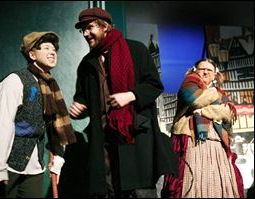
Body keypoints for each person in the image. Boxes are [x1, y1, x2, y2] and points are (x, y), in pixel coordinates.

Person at [69, 7, 178, 198]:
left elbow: (154, 85)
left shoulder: (135, 49)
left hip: (134, 135)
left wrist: (131, 95)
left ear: (105, 27)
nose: (86, 33)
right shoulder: (86, 64)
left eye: (90, 27)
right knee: (111, 189)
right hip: (104, 140)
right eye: (83, 29)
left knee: (141, 191)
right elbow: (83, 97)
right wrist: (79, 107)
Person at [0, 31, 76, 198]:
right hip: (0, 156)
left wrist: (58, 155)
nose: (52, 52)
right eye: (46, 48)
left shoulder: (50, 86)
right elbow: (5, 123)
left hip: (30, 159)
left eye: (54, 49)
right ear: (32, 54)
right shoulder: (15, 80)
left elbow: (53, 124)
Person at [161, 58, 245, 198]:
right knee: (195, 180)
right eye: (202, 69)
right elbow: (195, 101)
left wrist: (204, 111)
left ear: (214, 75)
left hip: (217, 144)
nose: (205, 71)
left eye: (209, 70)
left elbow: (229, 113)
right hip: (194, 141)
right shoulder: (188, 85)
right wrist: (213, 95)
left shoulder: (220, 93)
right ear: (195, 71)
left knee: (220, 181)